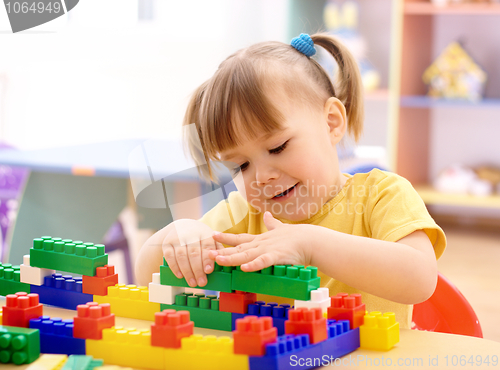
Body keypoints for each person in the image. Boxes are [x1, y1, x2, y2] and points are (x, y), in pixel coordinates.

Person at [135, 33, 446, 329]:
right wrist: (179, 235)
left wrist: (310, 243)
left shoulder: (382, 195)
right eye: (240, 165)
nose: (261, 176)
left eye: (277, 147)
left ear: (331, 122)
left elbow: (420, 278)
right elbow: (146, 276)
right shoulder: (243, 214)